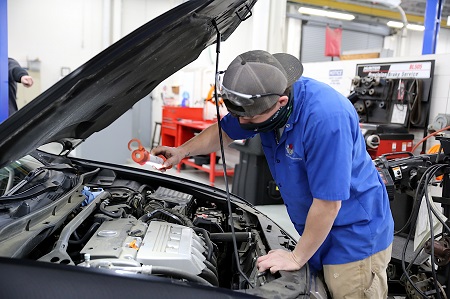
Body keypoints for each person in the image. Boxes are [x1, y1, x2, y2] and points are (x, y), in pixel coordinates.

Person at [151, 50, 394, 298]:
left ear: (281, 103)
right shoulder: (262, 104)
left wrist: (297, 256)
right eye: (239, 115)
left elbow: (328, 204)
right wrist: (181, 151)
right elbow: (225, 131)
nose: (243, 123)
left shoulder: (326, 119)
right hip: (317, 232)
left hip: (353, 240)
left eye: (251, 117)